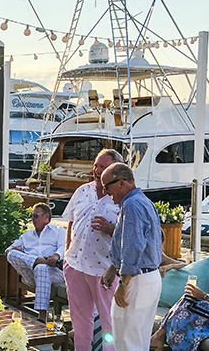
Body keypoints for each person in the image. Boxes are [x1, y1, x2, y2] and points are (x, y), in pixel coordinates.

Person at [61, 149, 123, 351]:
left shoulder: (120, 200)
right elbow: (70, 221)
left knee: (109, 321)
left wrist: (110, 229)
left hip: (103, 270)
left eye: (102, 167)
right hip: (74, 264)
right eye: (96, 165)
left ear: (115, 172)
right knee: (79, 321)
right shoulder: (82, 191)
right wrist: (66, 252)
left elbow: (130, 236)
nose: (97, 170)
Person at [100, 162, 163, 351]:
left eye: (106, 186)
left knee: (126, 341)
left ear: (121, 183)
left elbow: (133, 246)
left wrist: (123, 284)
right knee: (138, 339)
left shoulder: (132, 205)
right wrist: (114, 268)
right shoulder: (143, 201)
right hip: (148, 277)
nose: (105, 192)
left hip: (137, 279)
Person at [6, 203, 65, 321]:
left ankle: (42, 315)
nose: (32, 218)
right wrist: (13, 249)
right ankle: (37, 261)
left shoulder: (58, 231)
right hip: (31, 273)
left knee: (41, 268)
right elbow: (8, 250)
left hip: (54, 271)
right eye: (32, 216)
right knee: (11, 254)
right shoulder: (27, 235)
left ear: (46, 217)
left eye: (35, 216)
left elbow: (64, 246)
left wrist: (56, 255)